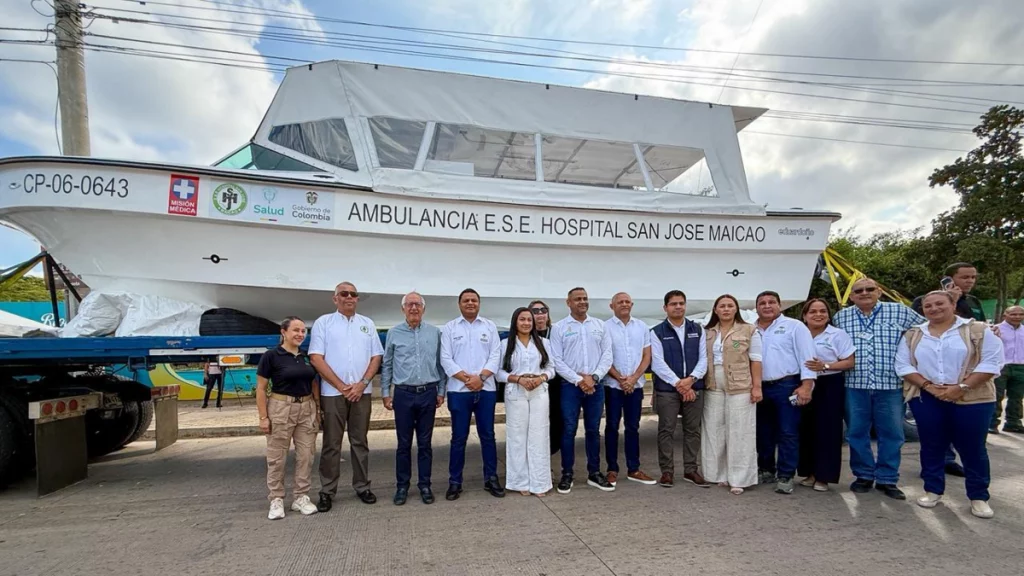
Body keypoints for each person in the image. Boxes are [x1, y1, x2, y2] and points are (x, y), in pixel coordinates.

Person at [896, 290, 1004, 518]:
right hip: (928, 396)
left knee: (972, 448)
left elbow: (992, 363)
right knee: (932, 445)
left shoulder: (979, 330)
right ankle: (932, 490)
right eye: (928, 306)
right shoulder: (914, 334)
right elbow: (903, 366)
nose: (934, 309)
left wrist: (960, 388)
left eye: (939, 304)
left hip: (972, 397)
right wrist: (930, 387)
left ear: (953, 304)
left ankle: (978, 496)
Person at [833, 277, 923, 500]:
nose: (864, 293)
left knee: (892, 434)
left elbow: (930, 328)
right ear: (852, 296)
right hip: (854, 384)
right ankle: (863, 475)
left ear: (879, 291)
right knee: (856, 433)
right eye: (859, 291)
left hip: (890, 384)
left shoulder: (900, 312)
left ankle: (887, 479)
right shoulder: (841, 317)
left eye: (869, 289)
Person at [310, 282, 384, 512]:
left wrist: (362, 384)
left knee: (360, 442)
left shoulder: (367, 324)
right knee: (331, 443)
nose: (349, 297)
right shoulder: (324, 323)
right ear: (335, 298)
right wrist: (342, 386)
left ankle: (362, 486)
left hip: (361, 393)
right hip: (333, 394)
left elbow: (376, 357)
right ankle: (327, 491)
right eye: (344, 294)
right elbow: (316, 358)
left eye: (353, 294)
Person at [911, 262, 986, 476]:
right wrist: (950, 297)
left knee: (968, 434)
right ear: (950, 279)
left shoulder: (972, 301)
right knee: (934, 430)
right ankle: (940, 464)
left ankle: (971, 477)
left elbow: (977, 326)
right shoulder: (926, 301)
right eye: (965, 277)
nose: (970, 281)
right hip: (934, 377)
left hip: (968, 376)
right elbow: (919, 325)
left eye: (973, 277)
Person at [381, 292, 445, 506]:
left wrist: (441, 390)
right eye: (409, 305)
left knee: (426, 443)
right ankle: (402, 487)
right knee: (403, 444)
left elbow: (440, 363)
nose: (414, 308)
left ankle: (425, 485)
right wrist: (385, 392)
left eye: (417, 304)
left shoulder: (435, 332)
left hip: (428, 393)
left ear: (424, 308)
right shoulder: (394, 333)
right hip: (403, 394)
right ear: (403, 309)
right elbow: (387, 364)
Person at [440, 288, 504, 500]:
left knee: (488, 436)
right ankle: (455, 482)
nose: (470, 303)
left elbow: (496, 356)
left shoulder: (489, 327)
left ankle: (491, 478)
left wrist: (481, 378)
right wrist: (468, 379)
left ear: (479, 304)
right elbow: (446, 359)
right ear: (459, 304)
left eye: (474, 300)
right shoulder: (450, 328)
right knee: (458, 438)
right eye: (466, 300)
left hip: (486, 390)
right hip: (459, 392)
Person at [550, 287, 615, 493]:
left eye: (585, 298)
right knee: (568, 429)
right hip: (570, 386)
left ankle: (594, 473)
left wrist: (594, 377)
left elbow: (607, 355)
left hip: (595, 386)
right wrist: (579, 380)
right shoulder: (559, 328)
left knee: (593, 430)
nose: (582, 302)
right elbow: (557, 360)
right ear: (568, 302)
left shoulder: (599, 325)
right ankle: (567, 473)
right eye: (577, 299)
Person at [256, 316, 320, 520]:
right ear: (283, 332)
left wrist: (318, 409)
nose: (300, 334)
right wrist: (263, 417)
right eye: (296, 330)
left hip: (306, 407)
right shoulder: (271, 356)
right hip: (281, 407)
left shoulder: (305, 356)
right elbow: (261, 388)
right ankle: (276, 499)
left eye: (303, 331)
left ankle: (301, 496)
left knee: (306, 455)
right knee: (277, 457)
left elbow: (313, 383)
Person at [754, 291, 817, 495]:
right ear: (756, 308)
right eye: (762, 303)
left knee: (787, 432)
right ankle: (766, 469)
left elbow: (808, 358)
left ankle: (786, 474)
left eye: (772, 302)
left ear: (779, 306)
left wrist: (807, 386)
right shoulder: (751, 329)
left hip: (787, 385)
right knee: (763, 432)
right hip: (759, 387)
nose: (767, 306)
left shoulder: (795, 327)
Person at [701, 294, 763, 495]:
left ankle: (740, 478)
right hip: (713, 382)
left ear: (736, 309)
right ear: (715, 310)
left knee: (740, 430)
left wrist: (757, 387)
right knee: (714, 428)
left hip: (740, 383)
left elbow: (756, 359)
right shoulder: (708, 331)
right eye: (722, 306)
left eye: (730, 306)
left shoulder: (749, 330)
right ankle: (718, 474)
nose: (726, 309)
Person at [649, 290, 710, 488]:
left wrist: (691, 380)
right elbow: (657, 363)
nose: (678, 307)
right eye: (673, 304)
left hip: (695, 387)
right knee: (666, 430)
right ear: (665, 307)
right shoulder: (657, 332)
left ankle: (691, 470)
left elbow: (704, 359)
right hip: (668, 390)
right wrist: (680, 384)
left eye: (681, 303)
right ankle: (667, 472)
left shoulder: (697, 329)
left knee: (693, 430)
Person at [797, 299, 855, 492]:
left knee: (828, 430)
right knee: (806, 429)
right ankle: (809, 473)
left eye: (822, 311)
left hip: (829, 383)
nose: (818, 314)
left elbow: (849, 362)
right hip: (804, 382)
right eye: (813, 311)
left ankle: (824, 476)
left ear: (828, 315)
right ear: (804, 315)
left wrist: (826, 366)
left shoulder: (837, 335)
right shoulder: (798, 333)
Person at [497, 307, 556, 496]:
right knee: (517, 436)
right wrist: (519, 379)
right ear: (515, 322)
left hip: (539, 391)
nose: (526, 323)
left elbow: (552, 368)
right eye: (522, 319)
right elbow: (499, 373)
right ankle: (520, 482)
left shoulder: (544, 343)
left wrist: (541, 378)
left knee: (539, 436)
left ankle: (540, 483)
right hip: (516, 391)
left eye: (529, 320)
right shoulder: (505, 344)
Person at [603, 292, 656, 486]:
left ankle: (634, 468)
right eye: (620, 302)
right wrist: (620, 378)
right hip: (613, 387)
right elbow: (604, 357)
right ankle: (611, 469)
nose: (624, 304)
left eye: (627, 302)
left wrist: (633, 379)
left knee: (633, 427)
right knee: (611, 427)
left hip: (636, 386)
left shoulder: (641, 327)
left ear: (632, 305)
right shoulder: (605, 327)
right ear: (612, 306)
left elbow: (646, 356)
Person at [530, 299, 564, 455]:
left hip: (554, 383)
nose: (540, 314)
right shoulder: (526, 334)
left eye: (543, 310)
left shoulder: (556, 332)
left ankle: (550, 453)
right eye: (535, 311)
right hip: (533, 385)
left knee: (556, 420)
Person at [992, 305, 1024, 434]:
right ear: (1005, 315)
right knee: (996, 395)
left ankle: (1013, 422)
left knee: (1017, 397)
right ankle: (992, 423)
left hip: (1020, 366)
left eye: (1020, 314)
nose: (1017, 317)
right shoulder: (995, 329)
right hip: (1001, 366)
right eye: (1013, 314)